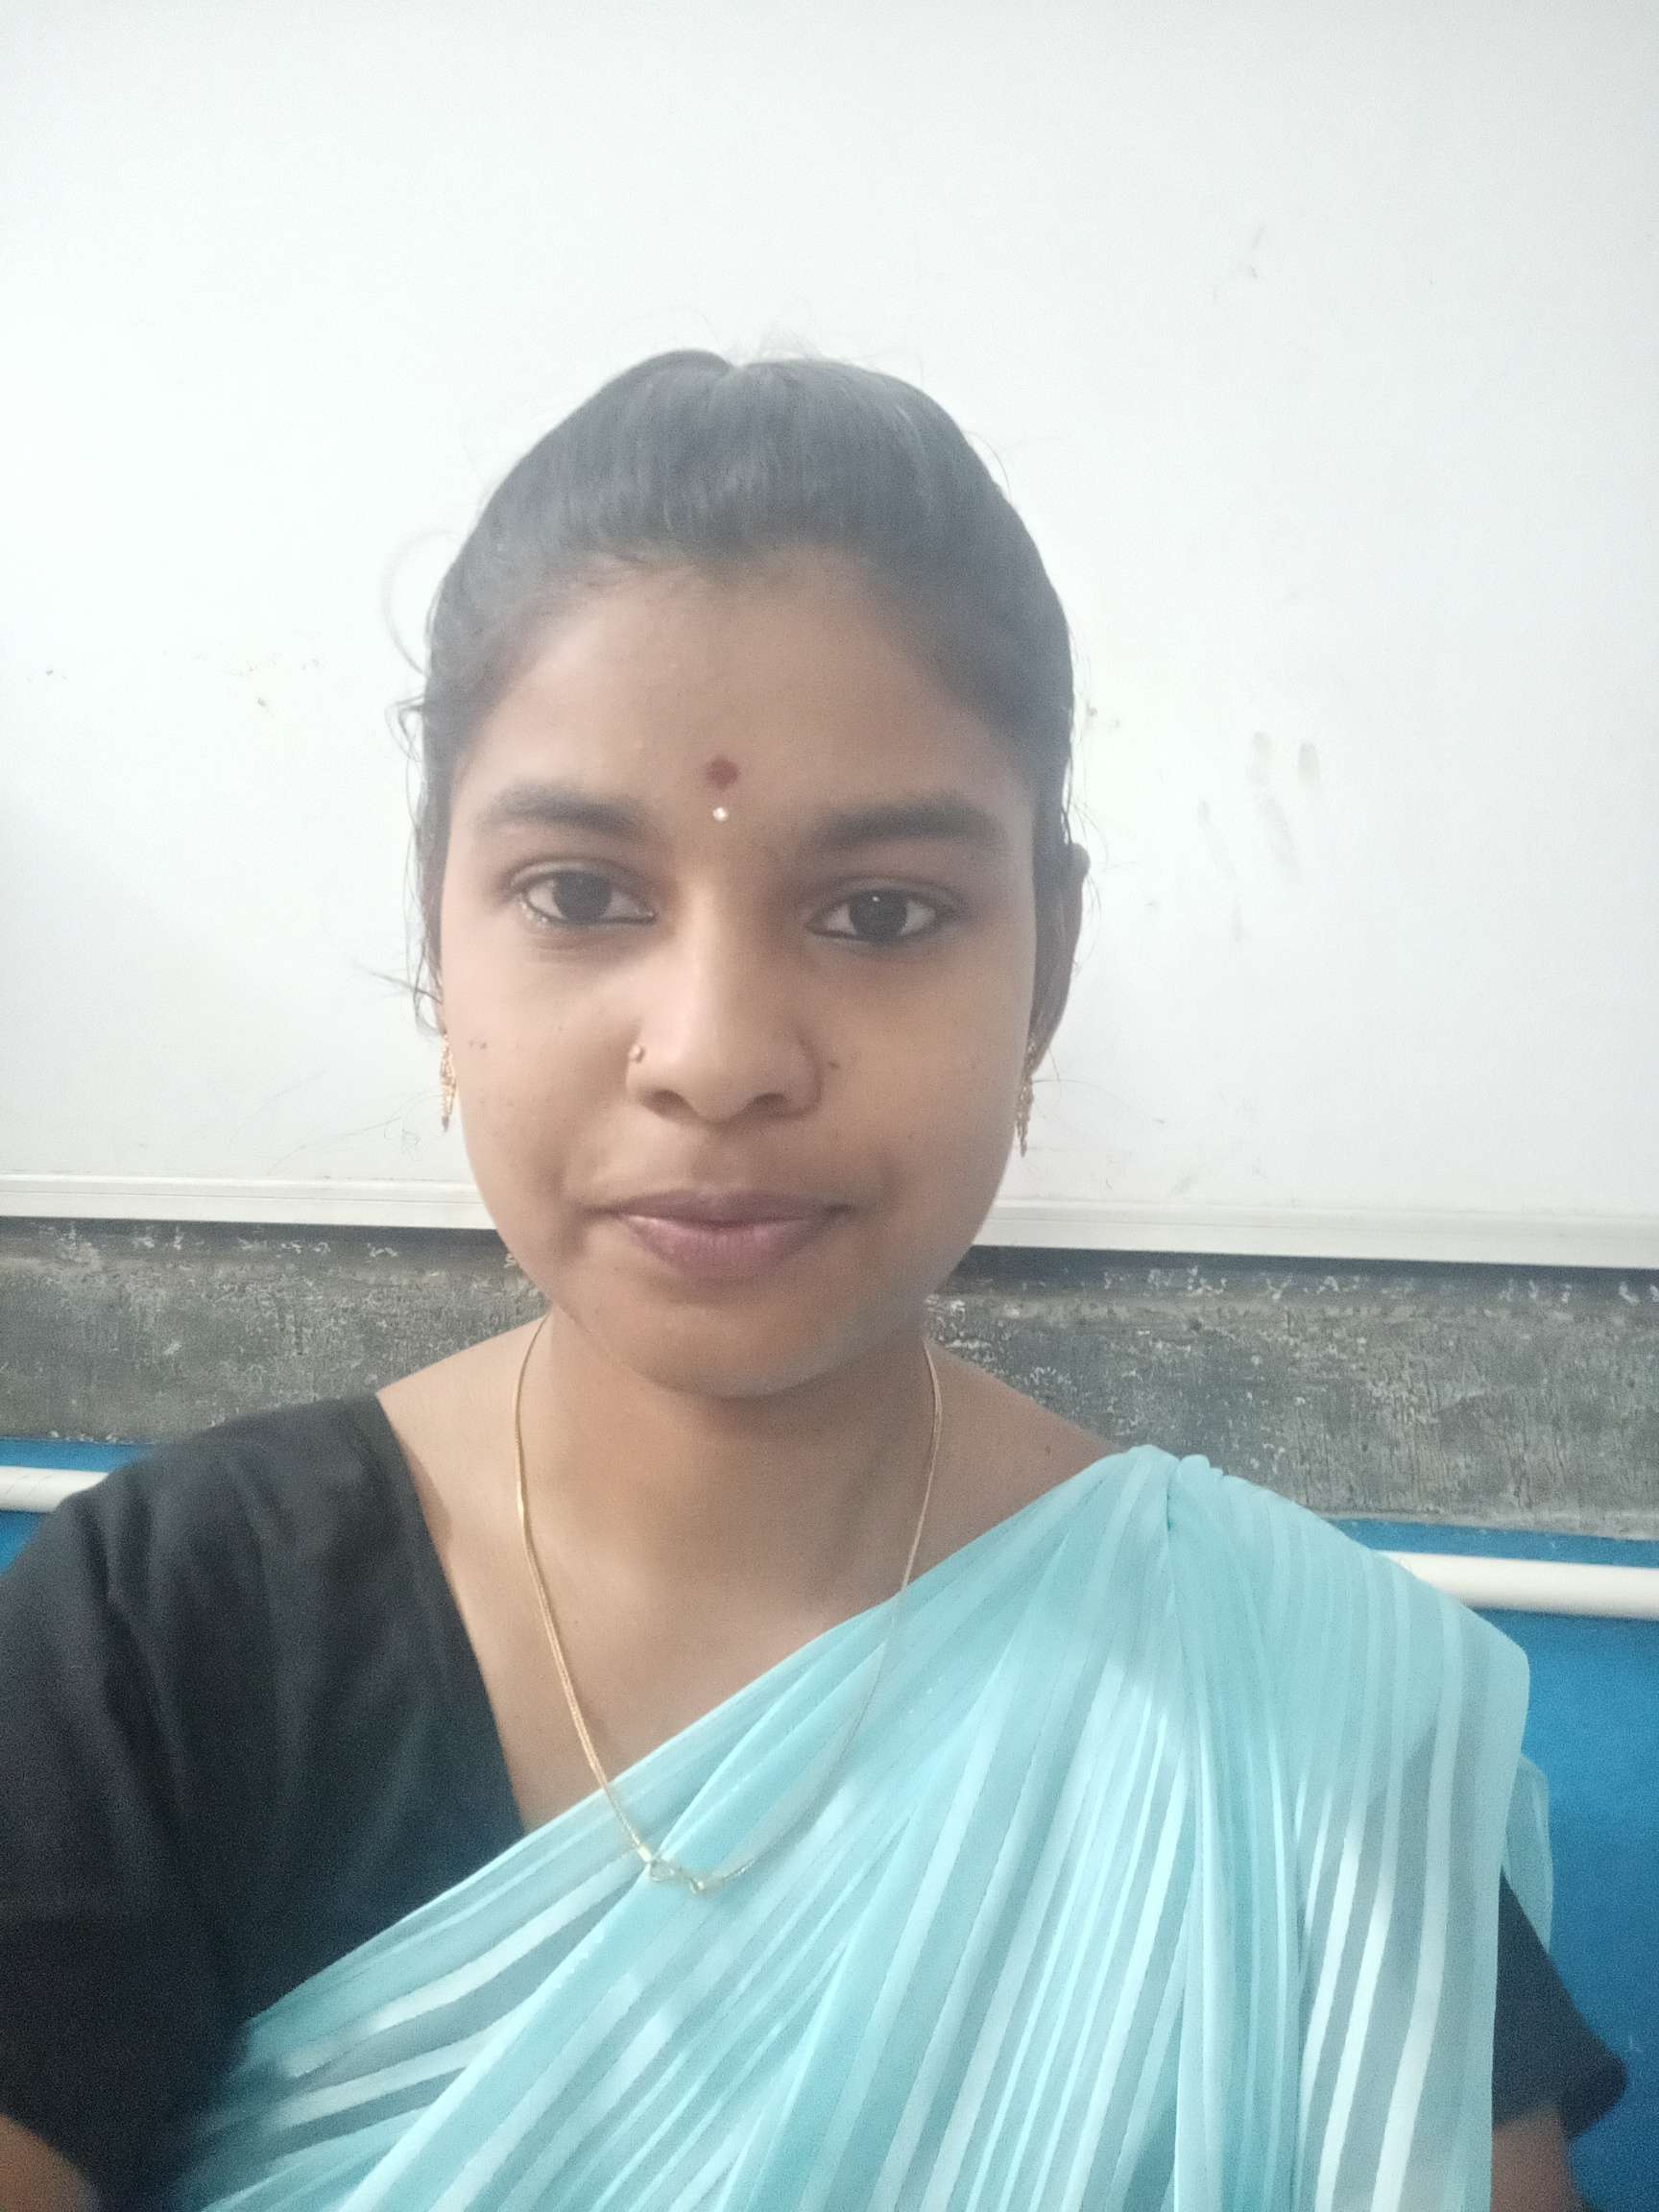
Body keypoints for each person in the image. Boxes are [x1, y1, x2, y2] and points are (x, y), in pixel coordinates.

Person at [0, 352, 1623, 2209]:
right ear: (440, 938)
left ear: (1047, 969)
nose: (715, 1057)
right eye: (579, 895)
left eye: (881, 914)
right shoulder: (165, 1632)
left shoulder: (1303, 1712)